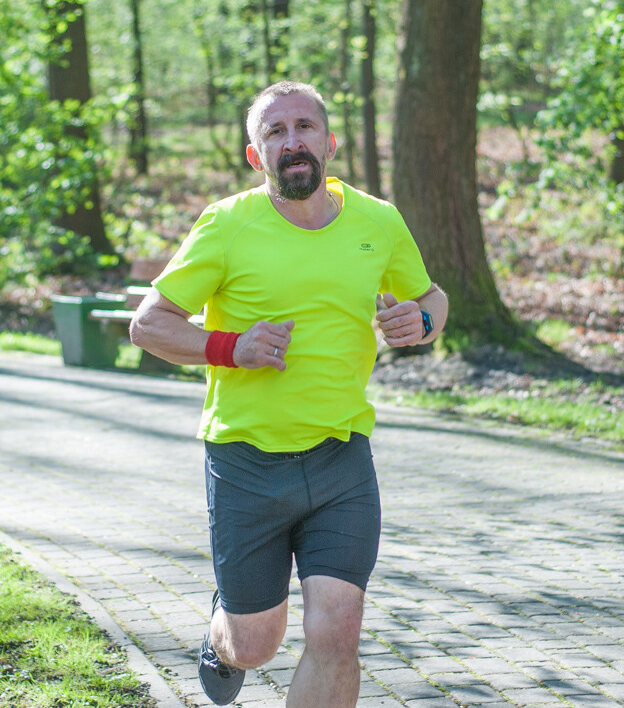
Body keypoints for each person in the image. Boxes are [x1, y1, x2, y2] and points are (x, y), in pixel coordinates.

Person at [129, 81, 447, 707]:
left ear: (329, 144)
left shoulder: (378, 221)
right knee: (254, 646)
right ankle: (224, 631)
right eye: (275, 132)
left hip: (341, 459)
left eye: (305, 127)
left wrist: (424, 321)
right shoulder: (227, 224)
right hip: (246, 461)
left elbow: (431, 296)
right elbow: (149, 325)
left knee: (338, 632)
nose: (292, 141)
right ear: (257, 156)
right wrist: (232, 347)